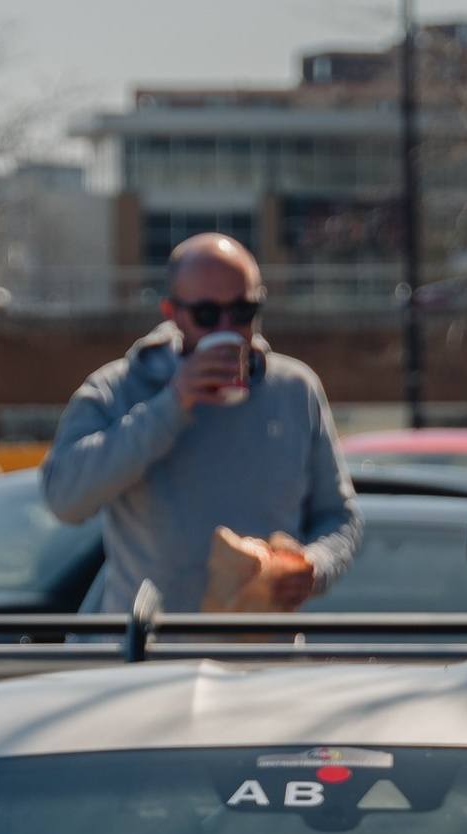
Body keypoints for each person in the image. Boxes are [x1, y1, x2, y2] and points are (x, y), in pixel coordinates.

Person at [41, 233, 361, 617]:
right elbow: (65, 499)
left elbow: (339, 514)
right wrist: (172, 404)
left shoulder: (294, 389)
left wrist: (315, 565)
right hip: (154, 658)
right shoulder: (118, 388)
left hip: (263, 659)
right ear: (172, 313)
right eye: (207, 315)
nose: (227, 327)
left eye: (243, 311)